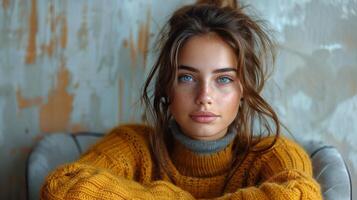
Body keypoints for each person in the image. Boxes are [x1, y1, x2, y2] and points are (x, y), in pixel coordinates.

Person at [41, 0, 322, 199]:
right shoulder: (135, 147)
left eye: (223, 79)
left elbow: (302, 195)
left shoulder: (269, 155)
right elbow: (62, 188)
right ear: (166, 86)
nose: (204, 97)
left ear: (243, 90)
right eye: (186, 77)